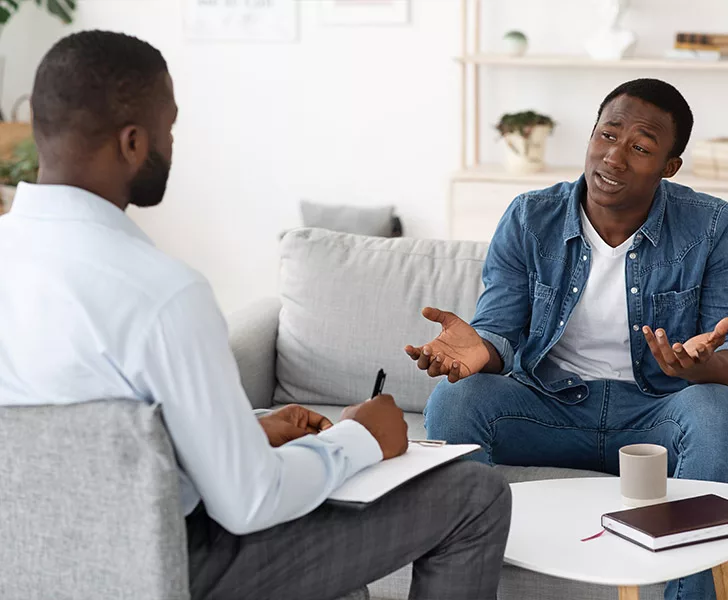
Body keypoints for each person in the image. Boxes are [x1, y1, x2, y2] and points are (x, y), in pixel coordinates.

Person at [0, 31, 511, 600]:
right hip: (171, 571)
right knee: (474, 493)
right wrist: (358, 437)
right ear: (133, 141)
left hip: (35, 571)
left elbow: (76, 452)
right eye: (169, 127)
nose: (172, 143)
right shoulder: (162, 294)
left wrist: (240, 435)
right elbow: (250, 502)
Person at [406, 78, 728, 600]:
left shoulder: (712, 225)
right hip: (549, 407)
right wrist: (483, 351)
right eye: (607, 135)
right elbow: (500, 332)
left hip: (659, 413)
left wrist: (705, 367)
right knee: (454, 398)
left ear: (669, 167)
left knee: (717, 409)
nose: (614, 158)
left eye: (641, 147)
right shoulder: (531, 217)